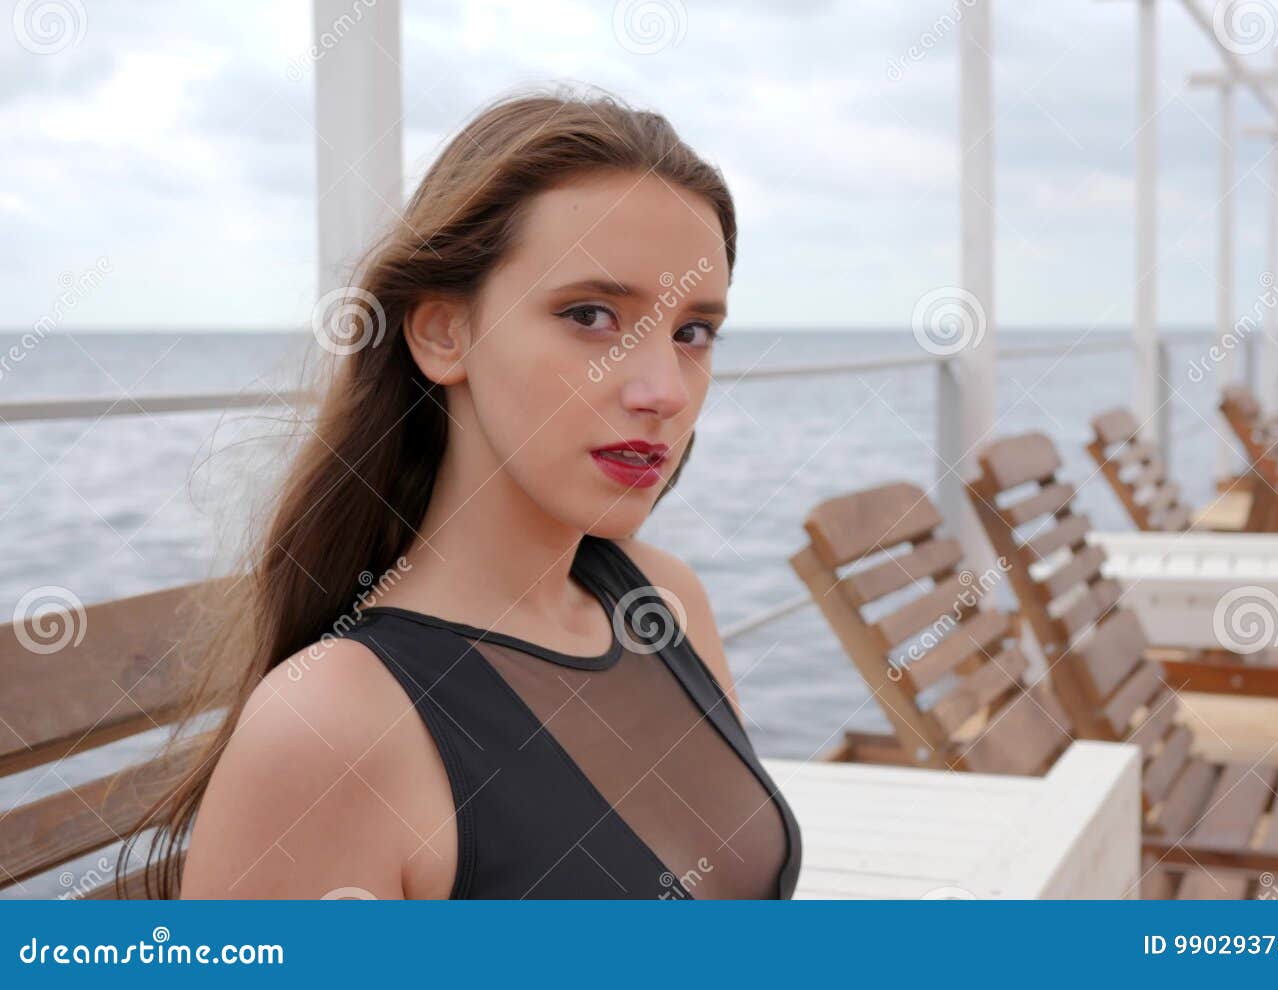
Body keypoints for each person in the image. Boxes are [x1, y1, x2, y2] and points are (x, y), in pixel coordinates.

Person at [124, 91, 801, 899]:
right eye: (590, 315)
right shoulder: (334, 725)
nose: (664, 390)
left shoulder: (662, 599)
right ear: (444, 333)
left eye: (692, 332)